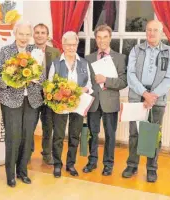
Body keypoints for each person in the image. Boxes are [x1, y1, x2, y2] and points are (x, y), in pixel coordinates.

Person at [122, 20, 170, 182]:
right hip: (137, 97)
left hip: (157, 100)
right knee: (134, 134)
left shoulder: (169, 52)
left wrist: (152, 96)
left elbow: (168, 79)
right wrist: (144, 94)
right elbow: (130, 75)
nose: (151, 33)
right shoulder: (136, 50)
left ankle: (152, 168)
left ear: (161, 33)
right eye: (148, 30)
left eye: (155, 30)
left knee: (153, 135)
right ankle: (132, 165)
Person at [0, 21, 45, 187]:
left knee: (27, 137)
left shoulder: (36, 52)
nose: (24, 38)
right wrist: (13, 80)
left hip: (32, 100)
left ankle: (23, 171)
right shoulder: (6, 51)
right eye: (21, 34)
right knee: (13, 137)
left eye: (26, 35)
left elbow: (42, 78)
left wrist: (33, 79)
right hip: (10, 101)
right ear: (15, 34)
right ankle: (10, 175)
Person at [83, 25, 127, 176]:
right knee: (92, 134)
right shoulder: (88, 58)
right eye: (99, 37)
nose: (102, 40)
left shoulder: (120, 58)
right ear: (96, 39)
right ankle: (92, 161)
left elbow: (123, 82)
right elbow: (86, 81)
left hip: (110, 103)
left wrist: (106, 80)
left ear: (110, 38)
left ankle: (108, 164)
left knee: (110, 135)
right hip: (94, 103)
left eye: (105, 37)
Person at [47, 31, 93, 178]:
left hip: (78, 105)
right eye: (68, 44)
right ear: (63, 45)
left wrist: (84, 89)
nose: (71, 47)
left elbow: (90, 85)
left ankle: (71, 164)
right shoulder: (56, 63)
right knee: (58, 136)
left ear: (77, 45)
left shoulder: (84, 63)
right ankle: (57, 164)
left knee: (74, 136)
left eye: (74, 44)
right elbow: (50, 85)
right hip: (61, 106)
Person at [32, 23, 61, 165]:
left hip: (49, 96)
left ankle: (47, 153)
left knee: (48, 126)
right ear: (33, 35)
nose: (39, 35)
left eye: (43, 32)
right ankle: (27, 152)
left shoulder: (55, 52)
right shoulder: (27, 51)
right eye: (37, 32)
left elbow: (59, 73)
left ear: (47, 35)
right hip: (31, 95)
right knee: (29, 126)